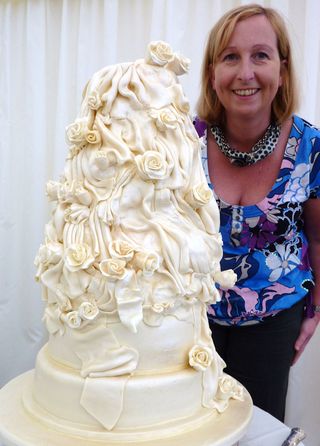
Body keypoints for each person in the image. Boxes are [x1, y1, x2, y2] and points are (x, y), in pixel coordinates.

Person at [194, 3, 320, 422]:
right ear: (213, 72)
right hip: (188, 323)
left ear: (282, 70)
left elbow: (318, 238)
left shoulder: (310, 148)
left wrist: (314, 311)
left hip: (274, 320)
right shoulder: (179, 142)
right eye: (230, 57)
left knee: (256, 431)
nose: (245, 72)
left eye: (260, 55)